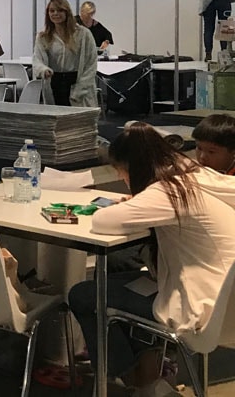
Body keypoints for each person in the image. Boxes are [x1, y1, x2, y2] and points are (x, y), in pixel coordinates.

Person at [69, 123, 235, 396]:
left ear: (131, 167)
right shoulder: (198, 177)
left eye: (120, 171)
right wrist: (139, 203)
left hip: (201, 306)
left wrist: (135, 204)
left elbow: (102, 220)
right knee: (117, 280)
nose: (120, 177)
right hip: (225, 303)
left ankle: (131, 379)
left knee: (85, 294)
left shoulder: (169, 191)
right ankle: (149, 376)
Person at [32, 0, 98, 107]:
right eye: (52, 11)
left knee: (78, 116)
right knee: (56, 115)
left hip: (77, 83)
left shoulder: (83, 34)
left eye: (60, 10)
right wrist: (43, 70)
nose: (55, 13)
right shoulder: (43, 37)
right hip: (54, 82)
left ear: (67, 12)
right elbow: (37, 59)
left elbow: (91, 64)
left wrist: (82, 87)